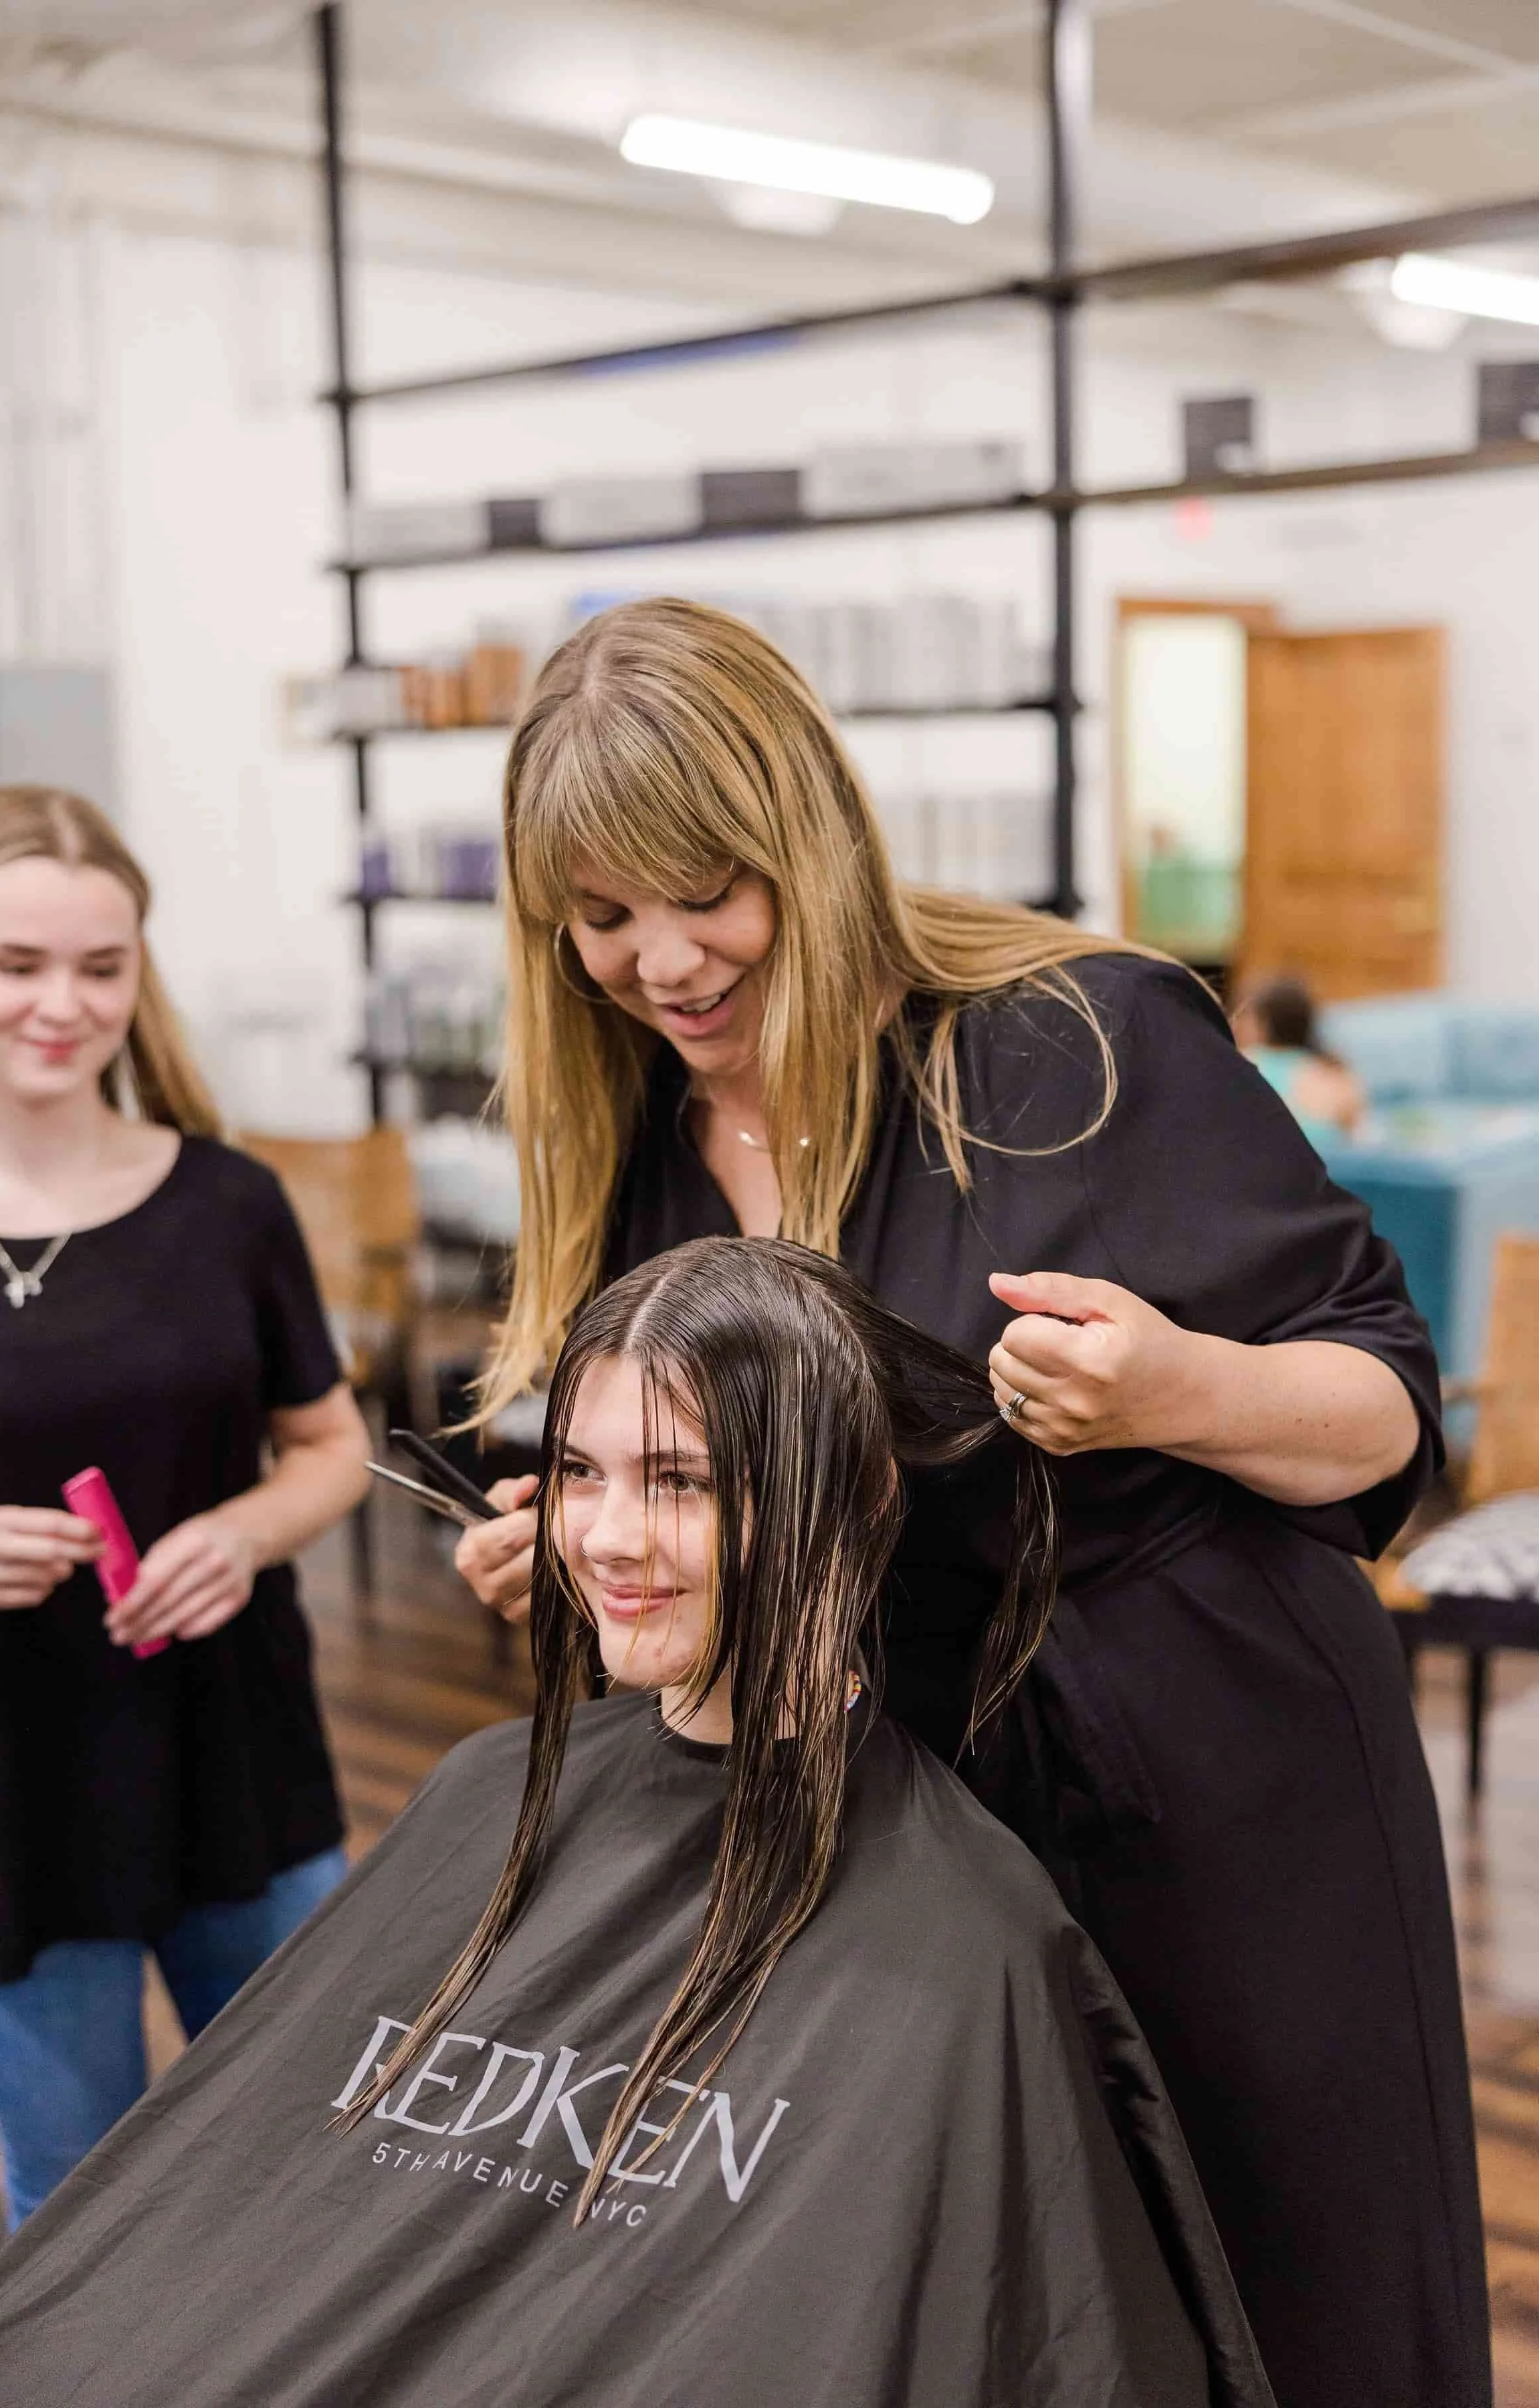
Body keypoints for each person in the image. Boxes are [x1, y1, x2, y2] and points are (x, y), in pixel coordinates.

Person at [455, 598, 1489, 2408]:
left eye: (706, 892)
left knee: (1291, 2299)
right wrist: (600, 1532)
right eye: (602, 919)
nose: (665, 961)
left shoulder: (1072, 1046)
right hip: (899, 1826)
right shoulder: (631, 1147)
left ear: (810, 835)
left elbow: (1393, 1420)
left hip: (1220, 1787)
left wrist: (1179, 1388)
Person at [0, 1239, 1275, 2407]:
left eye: (681, 1482)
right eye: (580, 1471)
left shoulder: (966, 1939)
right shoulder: (482, 1793)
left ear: (860, 1497)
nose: (605, 1537)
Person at [0, 783, 369, 2226]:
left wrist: (243, 1533)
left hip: (236, 1762)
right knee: (81, 2208)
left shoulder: (228, 1204)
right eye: (18, 964)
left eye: (101, 968)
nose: (64, 1004)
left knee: (323, 2168)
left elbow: (327, 1444)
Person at [1235, 972, 1366, 1146]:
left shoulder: (1246, 1063)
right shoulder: (1336, 1074)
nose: (1235, 1024)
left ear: (1263, 1024)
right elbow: (1359, 1136)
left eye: (1243, 1016)